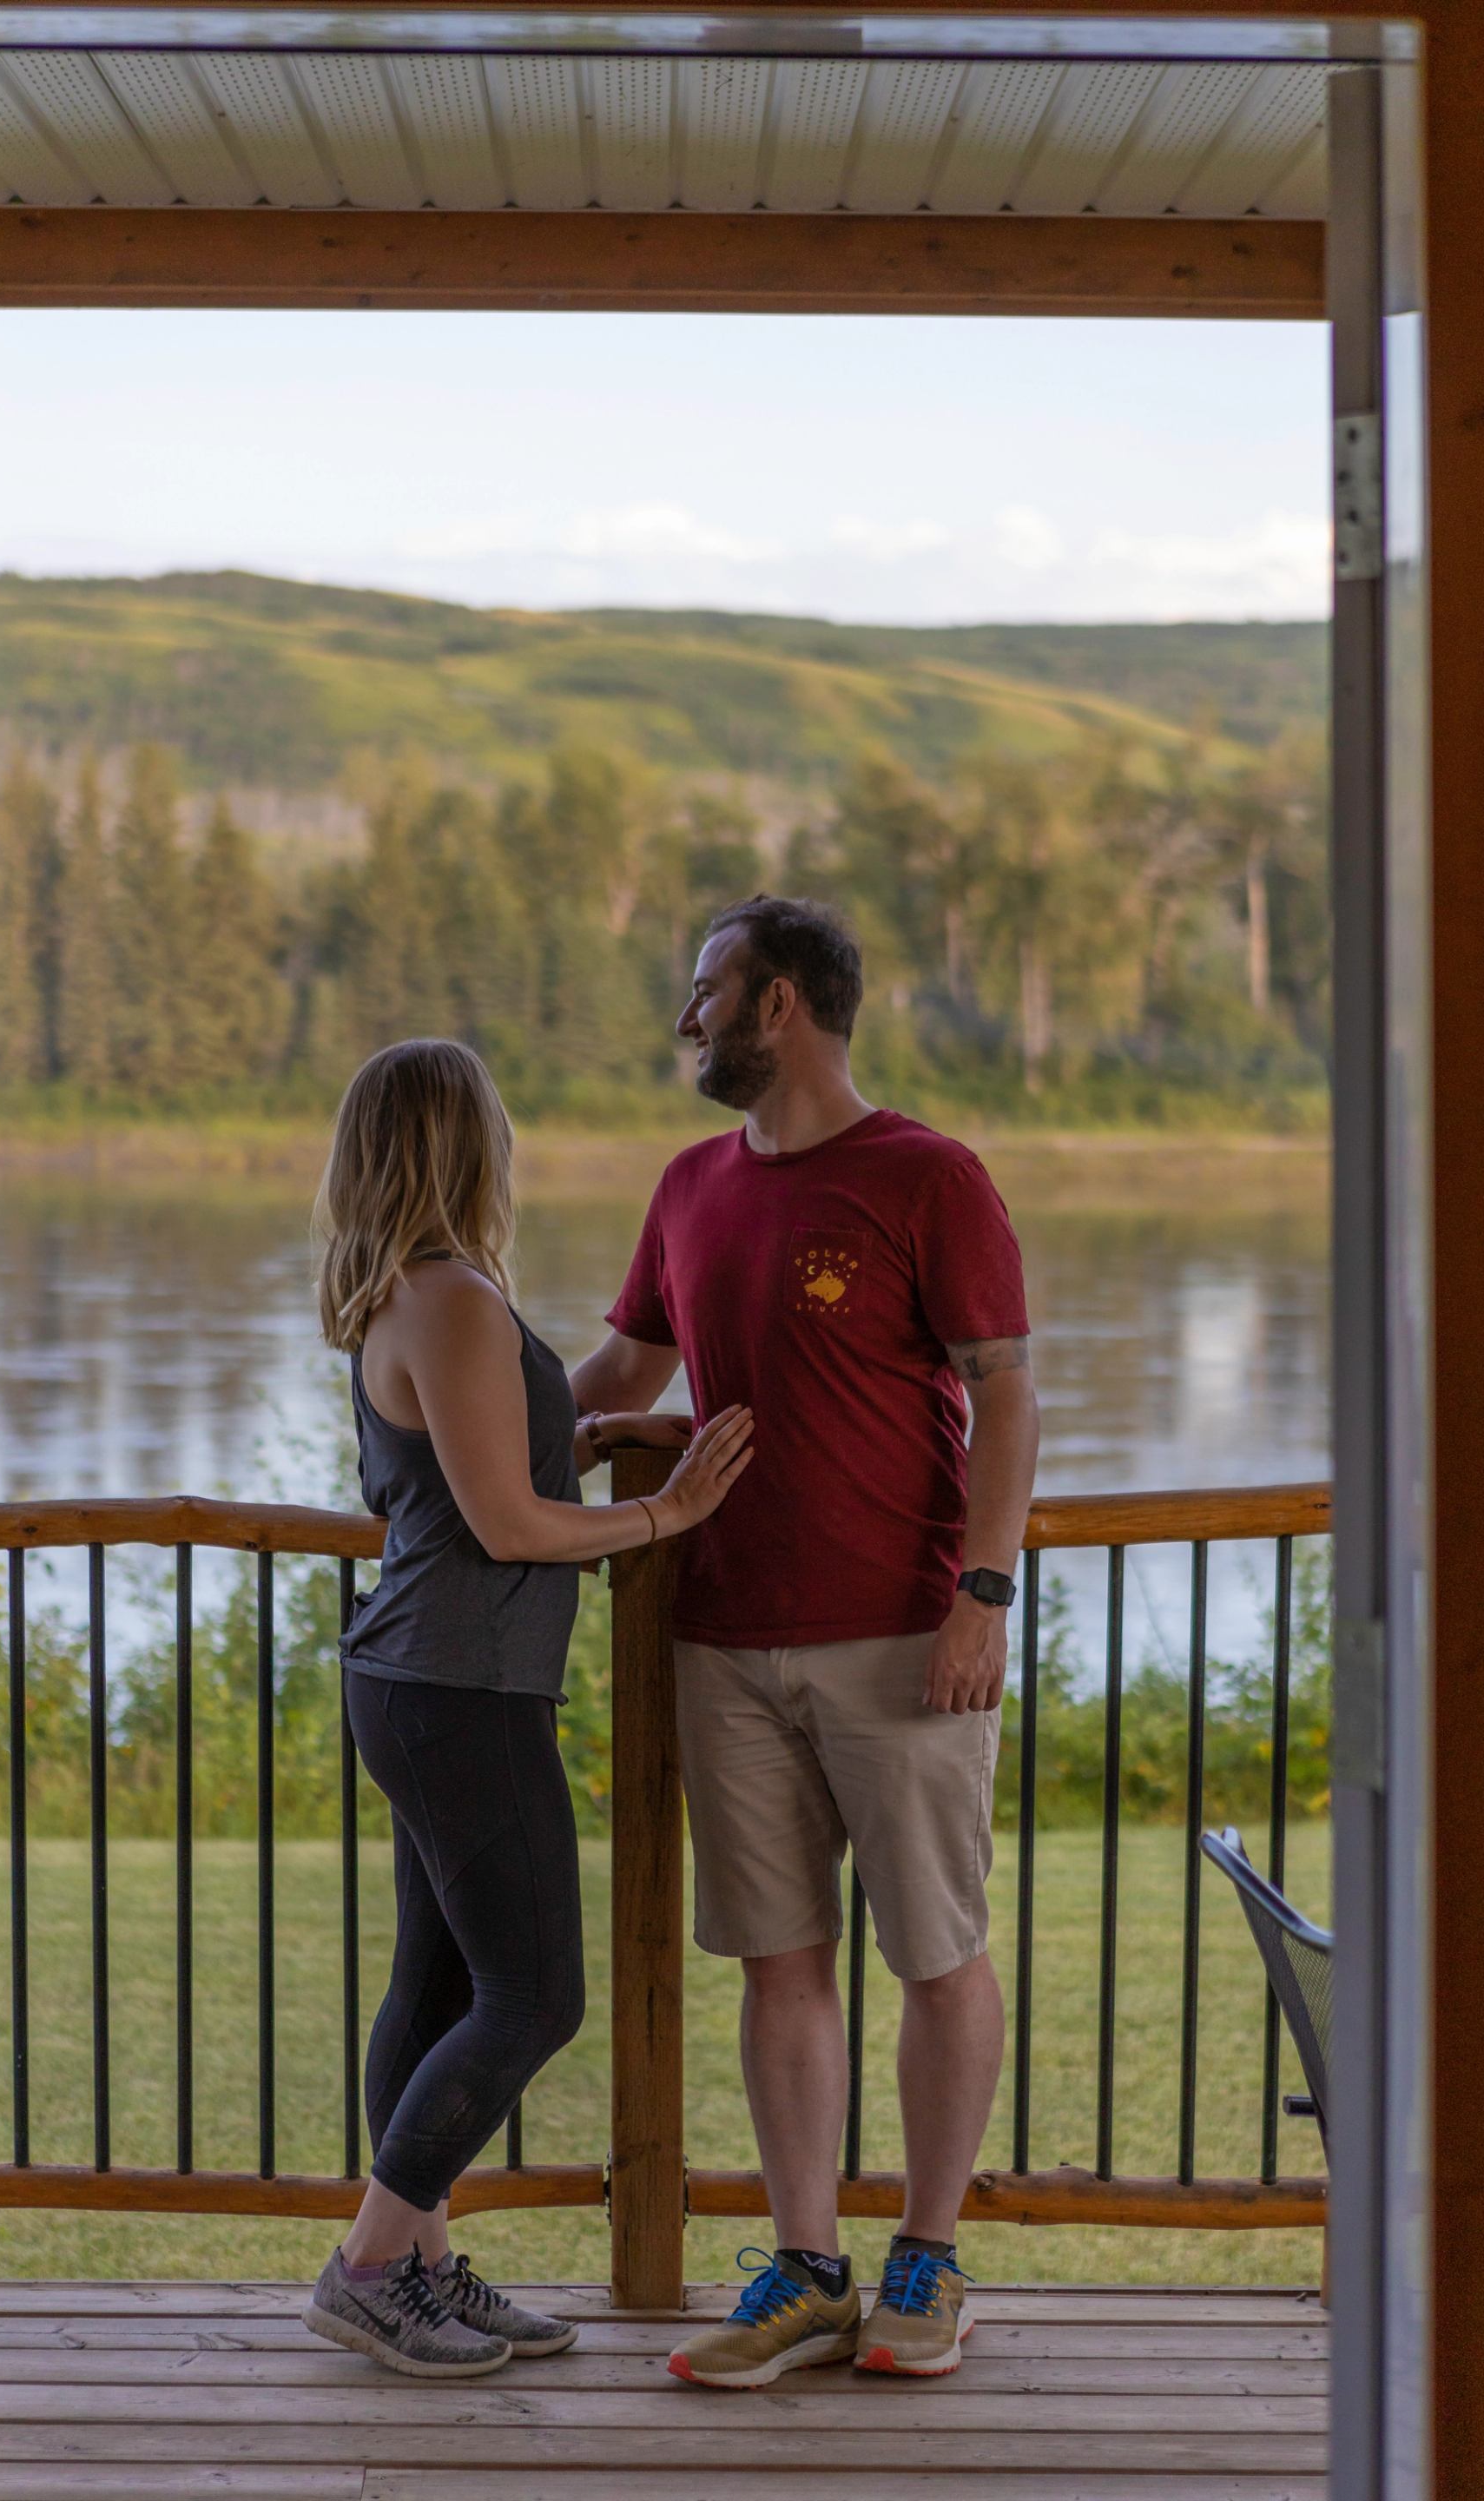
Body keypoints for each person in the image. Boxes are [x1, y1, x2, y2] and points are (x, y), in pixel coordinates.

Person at [571, 896, 1039, 2387]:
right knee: (782, 1967)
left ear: (778, 1002)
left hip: (906, 1641)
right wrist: (457, 1444)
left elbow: (1009, 1395)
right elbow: (619, 1374)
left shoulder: (930, 1177)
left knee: (936, 1954)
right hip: (720, 1642)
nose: (686, 1018)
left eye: (703, 990)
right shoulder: (689, 1184)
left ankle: (929, 2258)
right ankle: (809, 2268)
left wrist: (985, 1592)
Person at [303, 1038, 752, 2380]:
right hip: (457, 1687)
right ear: (463, 1143)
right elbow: (503, 1521)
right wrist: (667, 1512)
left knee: (439, 1983)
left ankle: (426, 2269)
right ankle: (373, 2265)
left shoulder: (420, 1292)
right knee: (537, 1995)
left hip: (426, 1678)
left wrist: (589, 1434)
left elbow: (475, 1472)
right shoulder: (446, 1298)